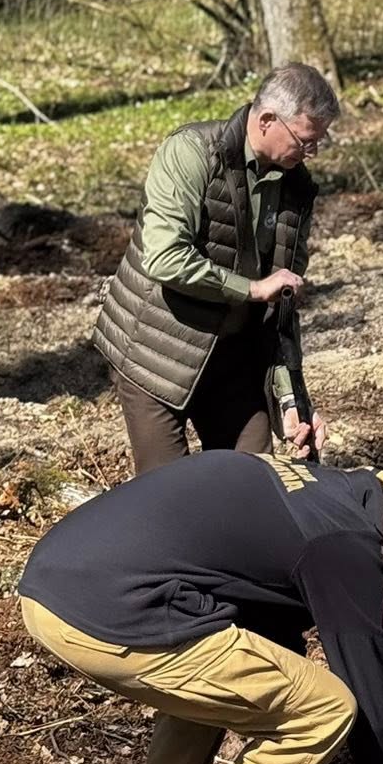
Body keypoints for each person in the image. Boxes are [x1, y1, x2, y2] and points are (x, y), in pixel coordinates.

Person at [16, 450, 383, 764]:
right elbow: (369, 679)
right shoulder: (347, 537)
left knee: (216, 676)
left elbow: (273, 650)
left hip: (54, 587)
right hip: (108, 607)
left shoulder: (308, 496)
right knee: (327, 710)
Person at [93, 63, 338, 474]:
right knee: (171, 496)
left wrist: (292, 403)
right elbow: (163, 257)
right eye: (305, 141)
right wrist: (252, 289)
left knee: (254, 485)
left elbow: (281, 305)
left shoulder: (296, 188)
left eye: (316, 144)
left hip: (232, 360)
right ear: (265, 121)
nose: (309, 153)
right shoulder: (190, 153)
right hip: (155, 354)